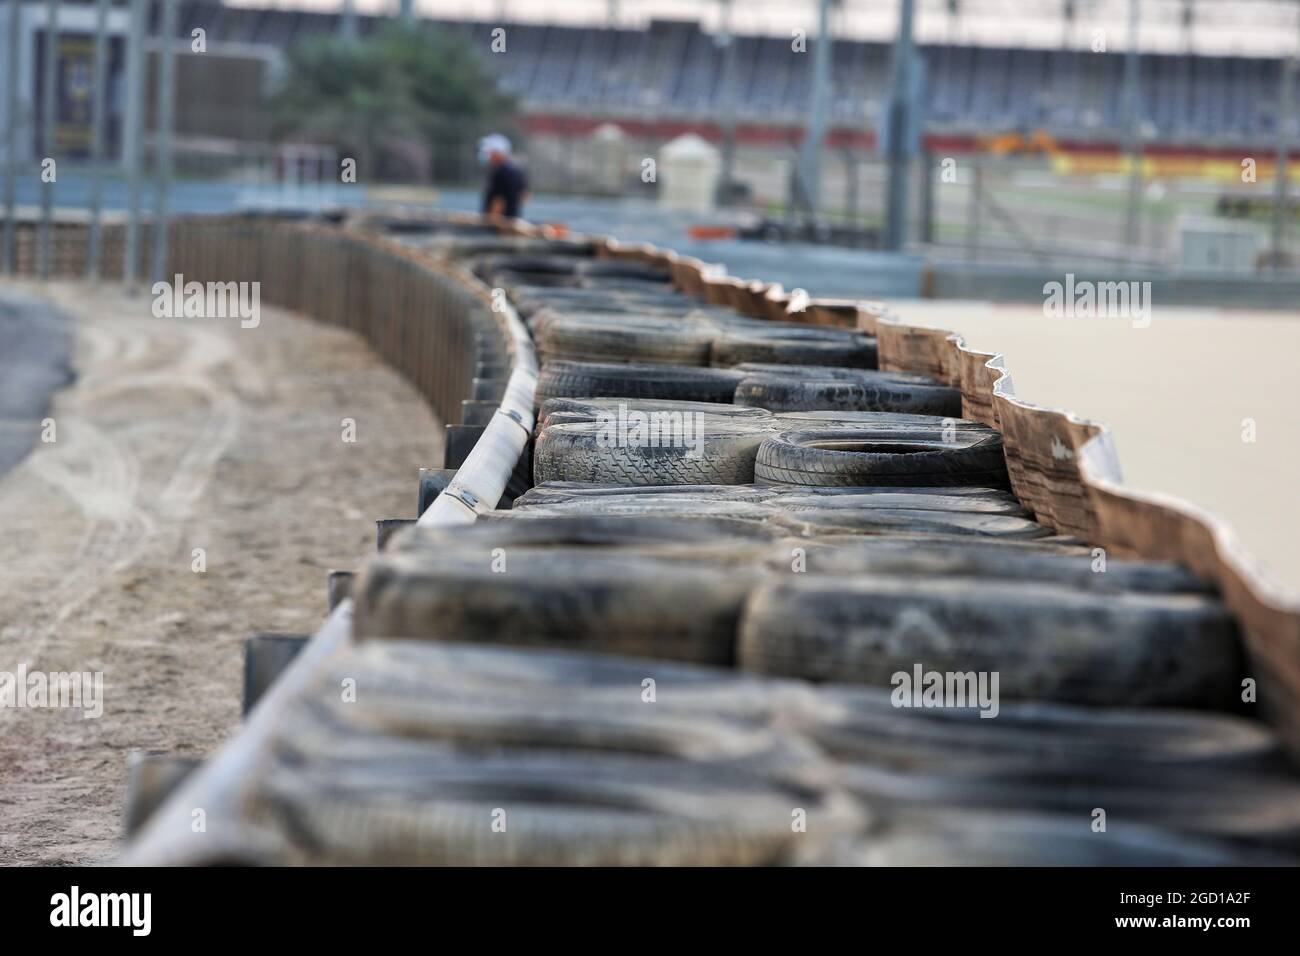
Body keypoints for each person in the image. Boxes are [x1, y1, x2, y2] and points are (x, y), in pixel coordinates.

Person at [478, 134, 529, 219]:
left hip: (498, 226)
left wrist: (492, 221)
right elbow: (525, 196)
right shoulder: (516, 170)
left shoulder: (501, 172)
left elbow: (498, 200)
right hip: (512, 221)